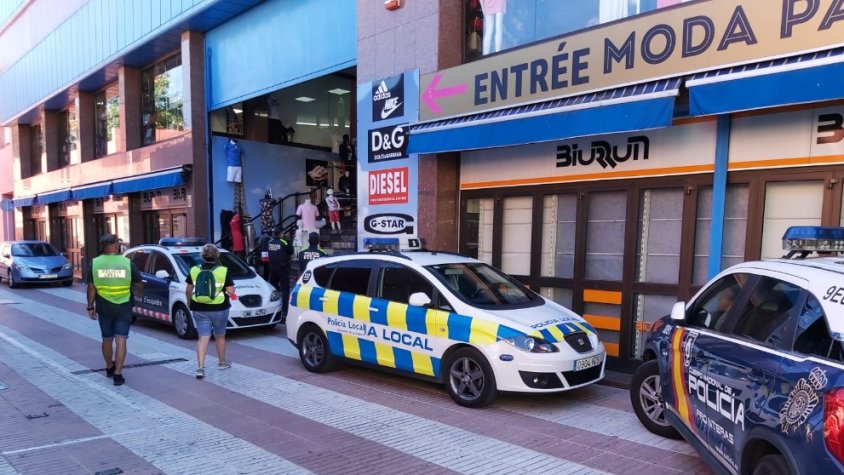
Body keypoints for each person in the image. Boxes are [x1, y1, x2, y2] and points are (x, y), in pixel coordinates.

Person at [86, 233, 142, 386]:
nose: (119, 245)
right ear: (113, 245)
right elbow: (138, 284)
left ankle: (109, 367)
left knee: (106, 339)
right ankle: (118, 374)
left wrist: (90, 306)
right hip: (124, 307)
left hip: (104, 307)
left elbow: (91, 287)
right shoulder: (127, 262)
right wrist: (138, 293)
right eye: (117, 243)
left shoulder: (95, 263)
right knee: (121, 339)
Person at [185, 244, 236, 379]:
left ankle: (200, 368)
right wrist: (228, 290)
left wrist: (189, 302)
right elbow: (231, 291)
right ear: (217, 256)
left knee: (203, 337)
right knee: (220, 335)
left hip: (199, 307)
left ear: (202, 256)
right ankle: (222, 362)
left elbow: (188, 289)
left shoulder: (194, 270)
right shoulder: (223, 271)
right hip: (219, 308)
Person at [264, 224, 293, 319]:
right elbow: (291, 251)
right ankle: (285, 310)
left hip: (272, 269)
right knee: (285, 290)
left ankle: (274, 308)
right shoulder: (284, 243)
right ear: (281, 233)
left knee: (273, 289)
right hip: (282, 269)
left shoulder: (270, 242)